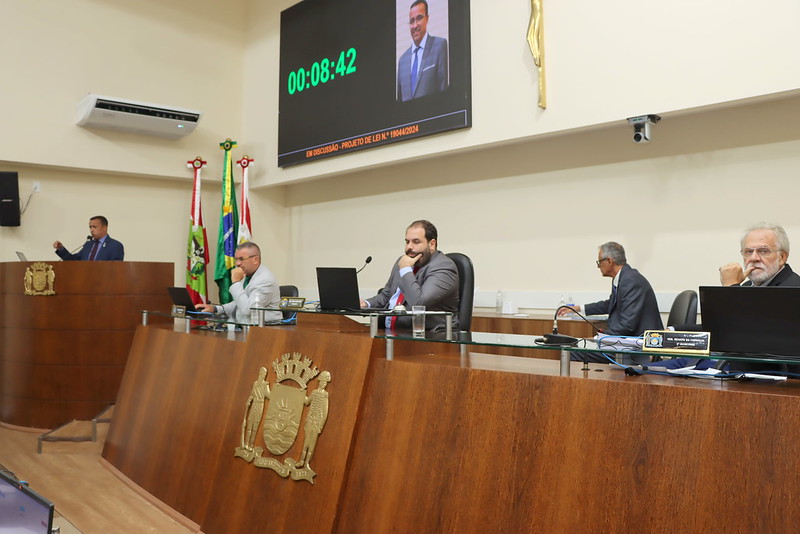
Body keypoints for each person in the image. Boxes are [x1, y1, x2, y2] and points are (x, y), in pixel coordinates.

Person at [561, 242, 663, 363]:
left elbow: (627, 325)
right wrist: (579, 308)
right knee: (578, 348)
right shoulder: (624, 277)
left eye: (599, 262)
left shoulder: (630, 281)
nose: (598, 267)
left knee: (574, 352)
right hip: (627, 343)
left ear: (609, 261)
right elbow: (610, 304)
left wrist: (597, 339)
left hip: (637, 348)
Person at [362, 220, 459, 332]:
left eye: (416, 242)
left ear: (431, 244)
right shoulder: (404, 261)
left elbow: (418, 303)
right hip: (389, 332)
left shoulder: (443, 266)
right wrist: (366, 303)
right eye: (407, 242)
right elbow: (386, 295)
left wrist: (405, 269)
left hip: (428, 337)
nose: (409, 247)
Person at [195, 241, 281, 324]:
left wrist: (236, 282)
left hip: (265, 332)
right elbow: (238, 303)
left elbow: (248, 309)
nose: (237, 264)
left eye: (241, 259)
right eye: (236, 259)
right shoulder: (247, 274)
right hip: (246, 329)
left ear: (255, 259)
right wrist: (215, 309)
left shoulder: (265, 280)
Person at [396, 0, 449, 102]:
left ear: (427, 19)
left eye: (419, 18)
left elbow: (443, 90)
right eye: (412, 21)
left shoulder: (439, 46)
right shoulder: (402, 60)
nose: (415, 25)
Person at [719, 223, 800, 287]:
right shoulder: (746, 286)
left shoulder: (794, 288)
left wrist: (731, 288)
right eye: (749, 252)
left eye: (763, 251)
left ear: (782, 257)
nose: (754, 258)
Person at [53, 215, 124, 261]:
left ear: (104, 228)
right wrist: (61, 249)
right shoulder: (88, 244)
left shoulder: (115, 246)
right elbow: (74, 261)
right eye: (90, 227)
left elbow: (116, 269)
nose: (91, 230)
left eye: (94, 227)